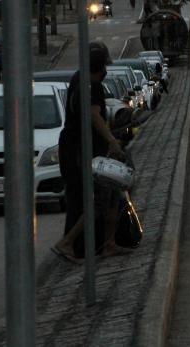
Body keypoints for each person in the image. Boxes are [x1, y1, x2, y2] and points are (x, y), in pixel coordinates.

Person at [54, 42, 126, 261]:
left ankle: (107, 243)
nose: (105, 72)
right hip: (81, 150)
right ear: (99, 67)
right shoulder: (92, 86)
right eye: (104, 67)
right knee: (97, 198)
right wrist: (112, 141)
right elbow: (94, 115)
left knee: (109, 194)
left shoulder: (78, 78)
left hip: (76, 147)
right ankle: (68, 243)